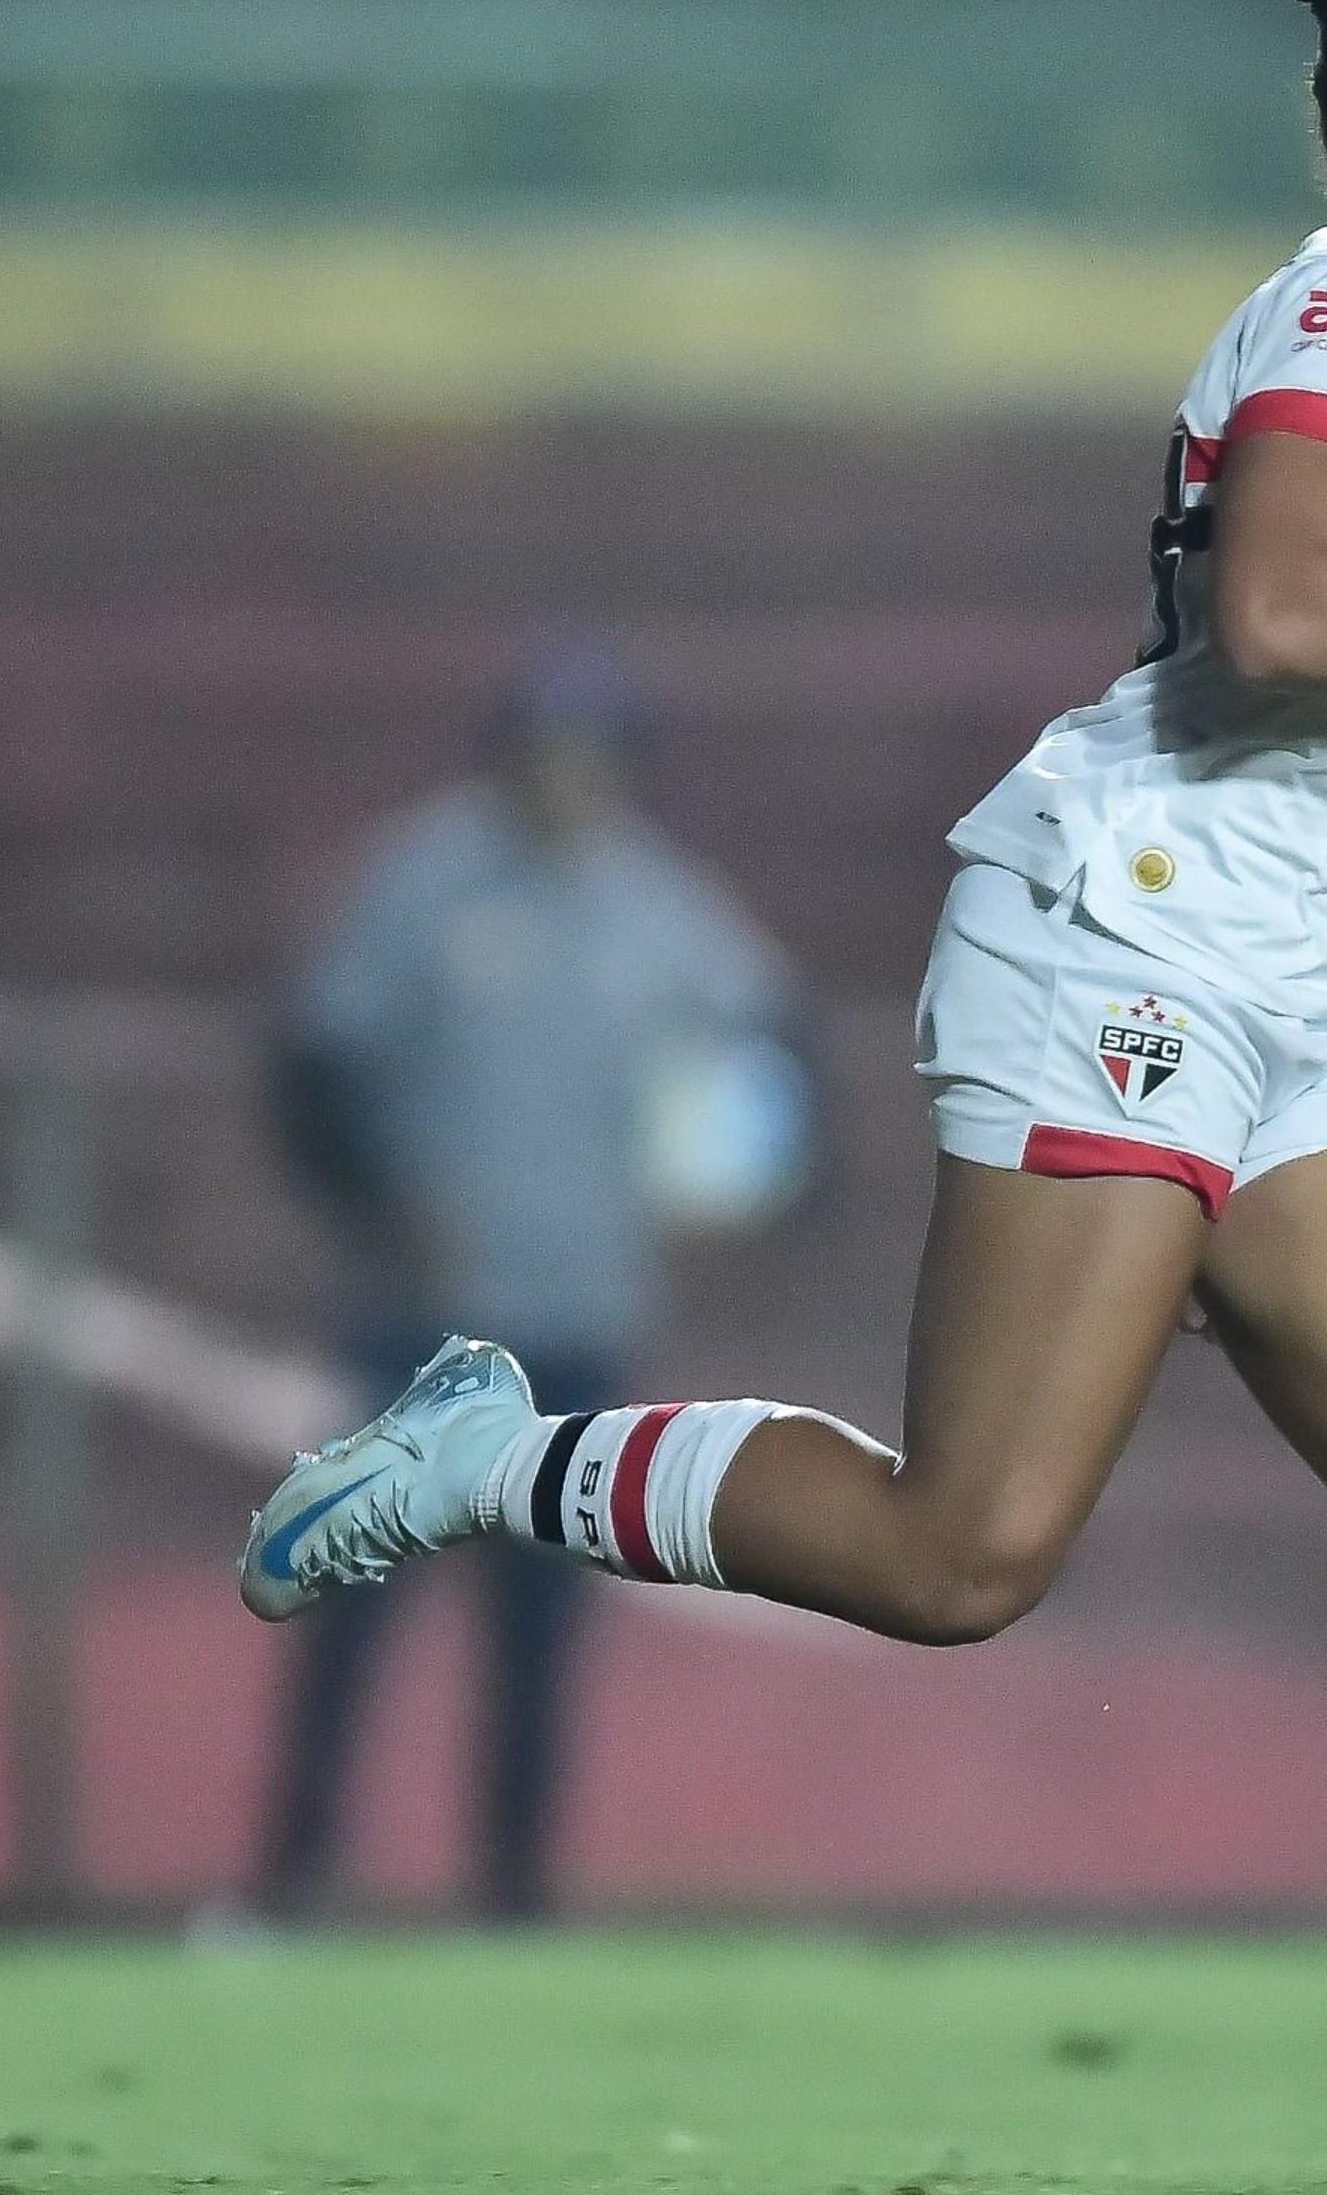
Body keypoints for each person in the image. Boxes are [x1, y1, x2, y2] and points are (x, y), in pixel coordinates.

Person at [241, 0, 1327, 2191]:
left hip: (1288, 968)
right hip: (1122, 934)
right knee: (956, 1550)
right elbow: (1265, 610)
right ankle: (493, 1454)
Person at [256, 648, 800, 1921]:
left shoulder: (658, 907)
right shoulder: (424, 882)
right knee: (351, 1599)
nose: (570, 781)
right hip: (423, 1323)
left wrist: (730, 1194)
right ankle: (297, 1871)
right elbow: (317, 1059)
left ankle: (512, 1889)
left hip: (576, 1319)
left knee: (539, 1632)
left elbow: (770, 1050)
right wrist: (377, 1213)